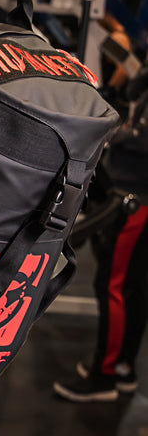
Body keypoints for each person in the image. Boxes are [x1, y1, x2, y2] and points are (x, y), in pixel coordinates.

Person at [54, 58, 148, 402]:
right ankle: (122, 367)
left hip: (137, 197)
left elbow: (139, 136)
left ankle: (104, 376)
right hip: (129, 190)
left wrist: (112, 130)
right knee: (132, 287)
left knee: (116, 287)